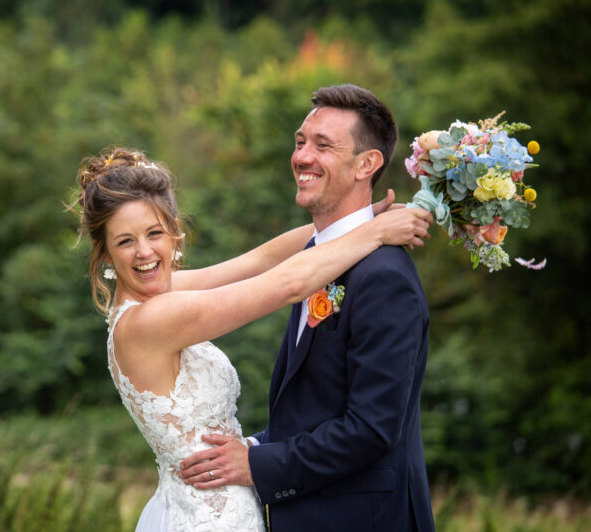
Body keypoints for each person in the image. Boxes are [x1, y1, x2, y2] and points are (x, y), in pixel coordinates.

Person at [74, 144, 432, 531]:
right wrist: (376, 233)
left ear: (174, 234)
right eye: (125, 241)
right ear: (105, 253)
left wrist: (358, 220)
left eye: (154, 233)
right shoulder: (153, 318)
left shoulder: (156, 292)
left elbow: (259, 261)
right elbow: (287, 284)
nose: (144, 252)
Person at [178, 84, 436, 531]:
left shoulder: (385, 277)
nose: (302, 157)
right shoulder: (320, 256)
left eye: (323, 145)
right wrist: (255, 445)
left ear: (367, 164)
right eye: (300, 142)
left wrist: (257, 465)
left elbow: (372, 430)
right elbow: (317, 406)